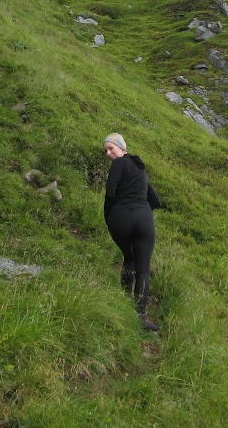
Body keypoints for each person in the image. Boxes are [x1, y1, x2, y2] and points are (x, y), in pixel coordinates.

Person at [102, 132, 161, 332]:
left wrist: (108, 217)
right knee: (143, 268)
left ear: (122, 148)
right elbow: (155, 200)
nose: (109, 153)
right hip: (144, 219)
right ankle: (141, 316)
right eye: (106, 150)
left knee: (129, 259)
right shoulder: (140, 169)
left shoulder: (119, 164)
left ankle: (125, 304)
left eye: (111, 148)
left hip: (122, 217)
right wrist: (142, 211)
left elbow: (110, 192)